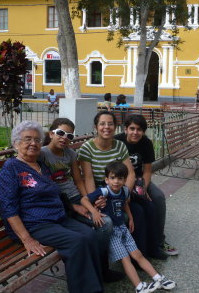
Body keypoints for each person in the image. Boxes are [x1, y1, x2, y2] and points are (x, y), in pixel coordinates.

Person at [0, 120, 103, 293]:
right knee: (76, 241)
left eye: (37, 140)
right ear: (16, 143)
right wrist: (27, 239)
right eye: (27, 139)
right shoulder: (11, 168)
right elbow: (8, 207)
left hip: (57, 218)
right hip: (34, 224)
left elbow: (56, 192)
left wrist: (73, 207)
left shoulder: (41, 166)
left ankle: (96, 285)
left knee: (89, 234)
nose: (33, 143)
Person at [39, 118, 123, 283]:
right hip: (61, 204)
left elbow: (78, 181)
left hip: (76, 198)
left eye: (69, 136)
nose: (65, 138)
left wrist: (89, 200)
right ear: (51, 134)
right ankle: (97, 269)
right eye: (61, 133)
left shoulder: (70, 154)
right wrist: (74, 206)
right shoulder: (42, 154)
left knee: (105, 221)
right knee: (104, 224)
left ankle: (99, 268)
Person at [81, 161, 176, 293]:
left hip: (122, 228)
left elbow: (124, 203)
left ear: (125, 180)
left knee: (137, 254)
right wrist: (94, 212)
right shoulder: (103, 190)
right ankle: (139, 287)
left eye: (120, 178)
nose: (116, 181)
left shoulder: (125, 190)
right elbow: (84, 200)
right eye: (112, 178)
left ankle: (158, 278)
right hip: (112, 232)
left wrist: (130, 217)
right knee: (126, 259)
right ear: (106, 179)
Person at [115, 114, 179, 257]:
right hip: (119, 181)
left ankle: (159, 240)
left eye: (139, 129)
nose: (135, 132)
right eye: (132, 128)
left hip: (139, 179)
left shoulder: (146, 143)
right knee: (139, 207)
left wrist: (143, 188)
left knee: (158, 197)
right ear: (126, 129)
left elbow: (148, 170)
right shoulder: (117, 141)